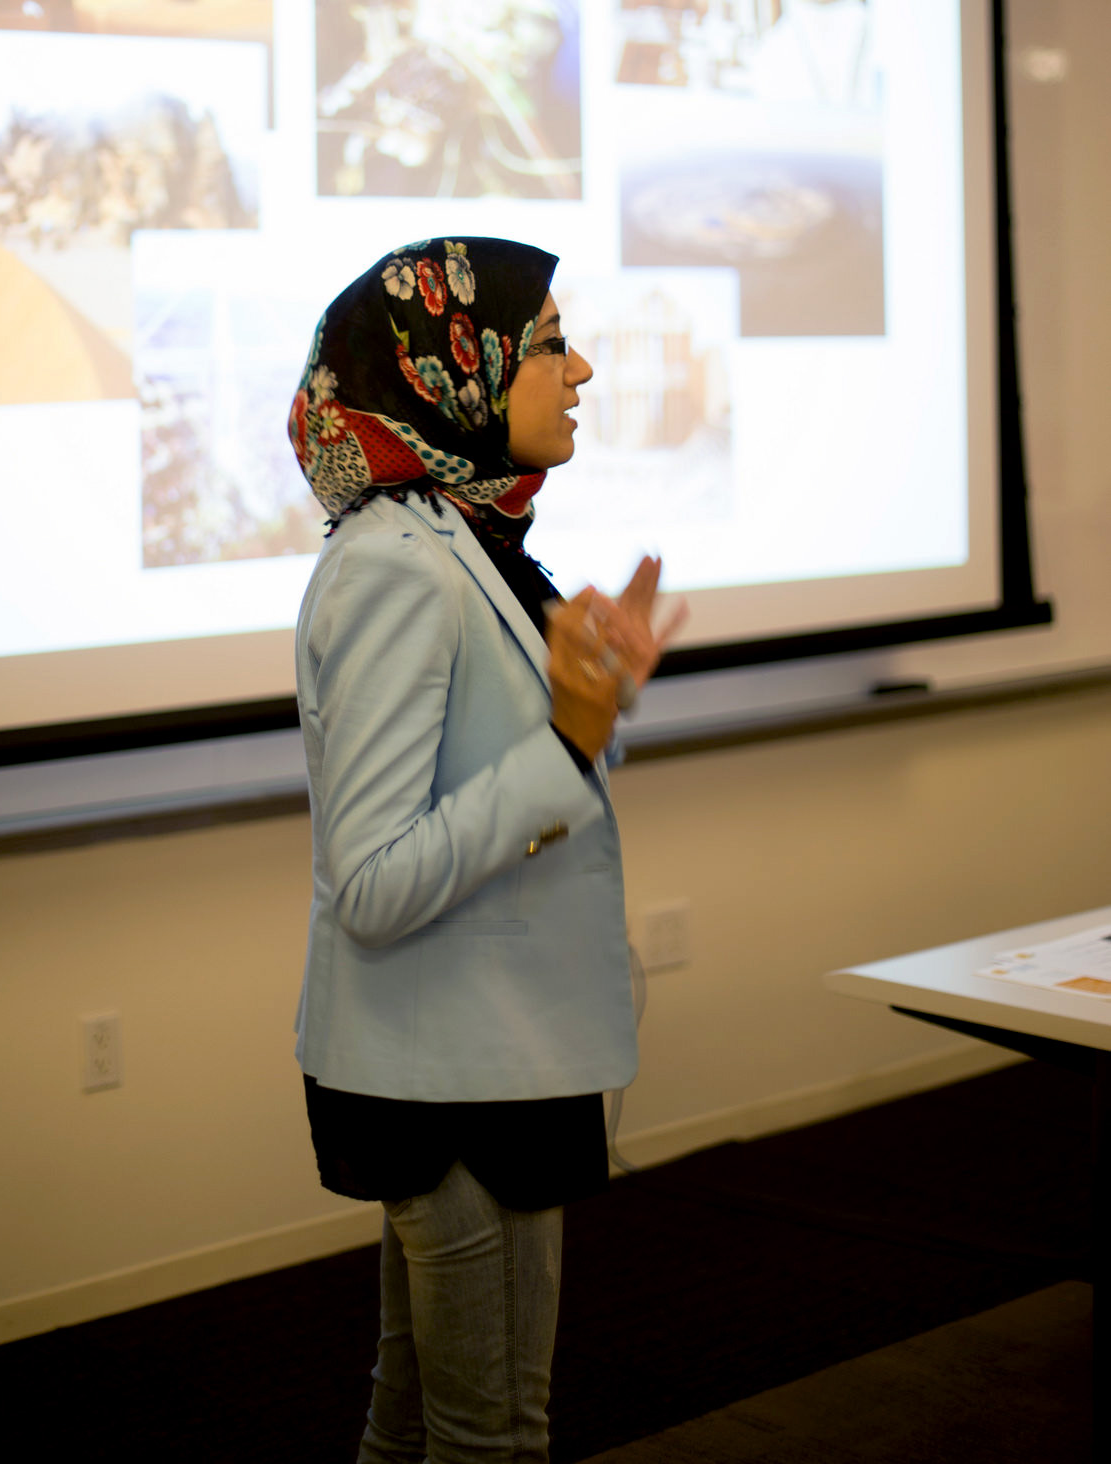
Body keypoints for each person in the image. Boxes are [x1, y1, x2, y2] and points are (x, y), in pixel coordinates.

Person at [287, 236, 687, 1463]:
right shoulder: (399, 569)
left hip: (479, 1059)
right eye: (551, 342)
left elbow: (503, 776)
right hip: (457, 1078)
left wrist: (588, 708)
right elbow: (371, 880)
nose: (581, 372)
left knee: (410, 1423)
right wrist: (564, 740)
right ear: (456, 369)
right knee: (490, 1438)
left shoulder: (473, 544)